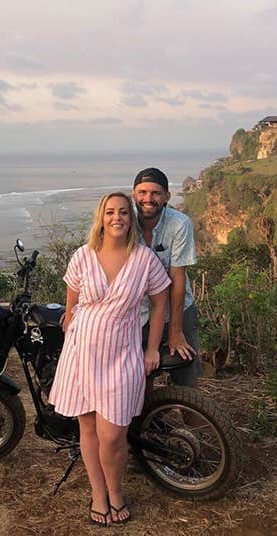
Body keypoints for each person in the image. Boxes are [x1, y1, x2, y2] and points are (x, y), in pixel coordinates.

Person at [49, 191, 170, 526]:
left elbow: (160, 304)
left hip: (122, 355)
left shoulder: (144, 259)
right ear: (101, 218)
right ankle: (99, 493)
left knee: (113, 434)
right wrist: (72, 323)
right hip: (82, 353)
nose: (117, 218)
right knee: (87, 427)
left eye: (123, 213)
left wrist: (152, 348)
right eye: (110, 212)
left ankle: (115, 491)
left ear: (131, 219)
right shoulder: (83, 256)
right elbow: (72, 301)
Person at [133, 167, 201, 387]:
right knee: (139, 376)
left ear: (166, 197)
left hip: (177, 308)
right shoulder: (125, 224)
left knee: (186, 375)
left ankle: (193, 419)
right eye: (142, 192)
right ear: (134, 194)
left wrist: (175, 329)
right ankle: (148, 418)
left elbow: (178, 279)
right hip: (140, 312)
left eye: (155, 193)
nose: (148, 199)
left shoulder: (179, 224)